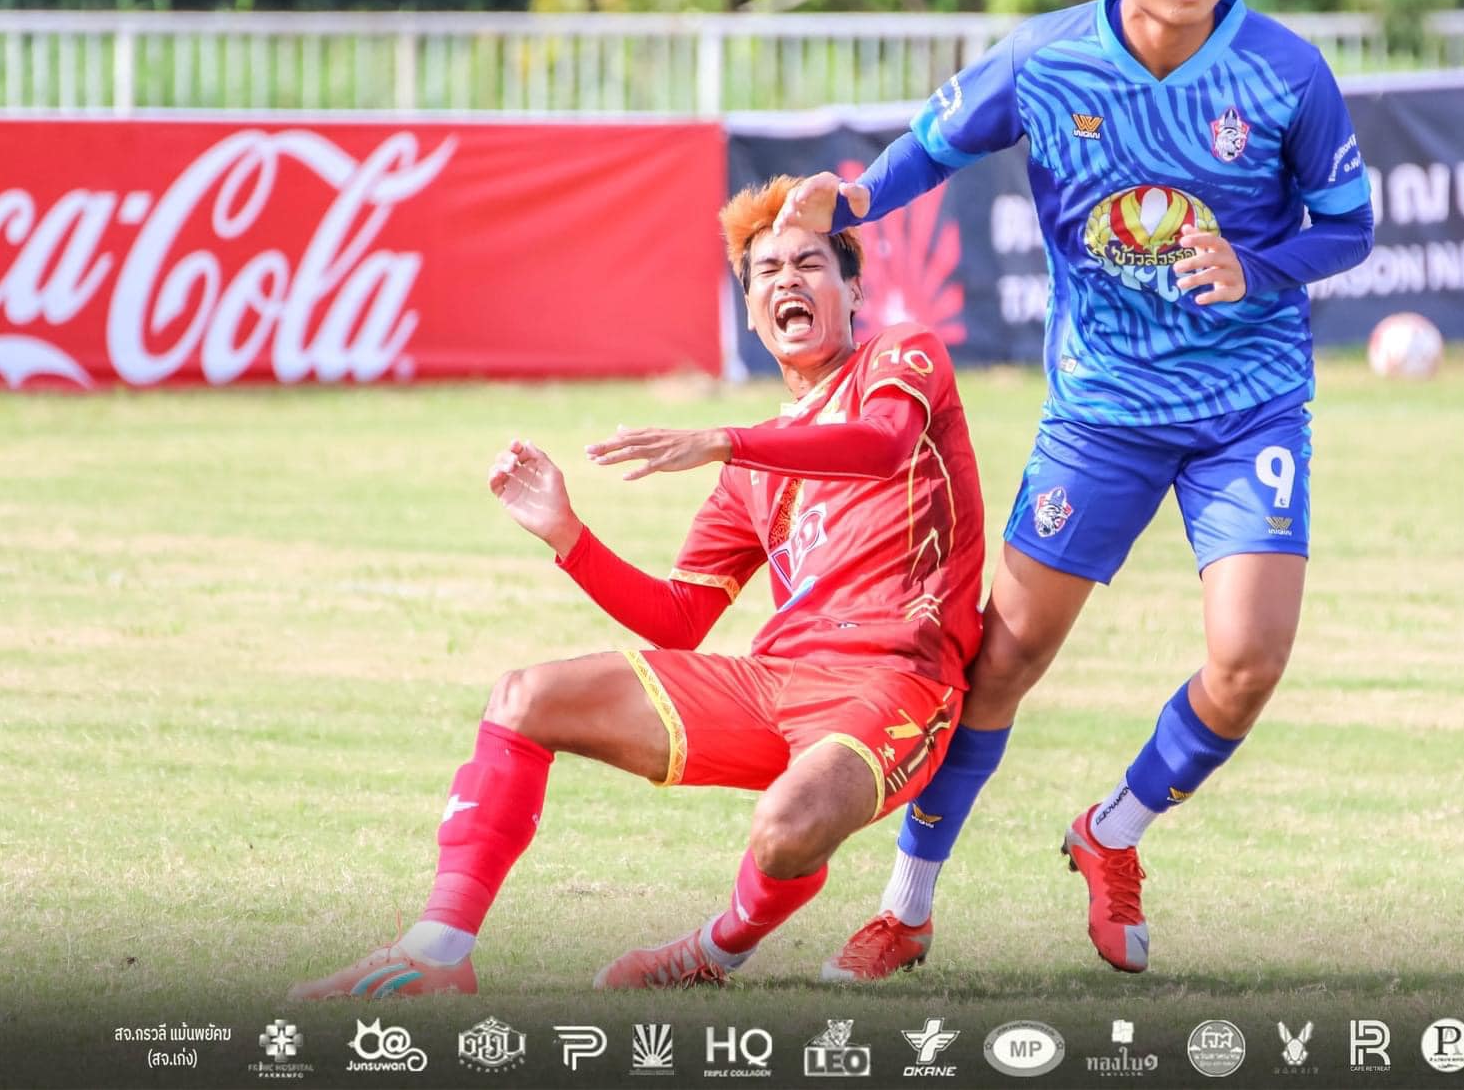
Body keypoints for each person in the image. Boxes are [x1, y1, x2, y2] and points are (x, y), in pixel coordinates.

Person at [786, 0, 1376, 982]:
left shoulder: (1282, 72)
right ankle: (906, 906)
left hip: (1247, 408)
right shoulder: (1044, 60)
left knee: (1247, 662)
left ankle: (1112, 831)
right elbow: (931, 148)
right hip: (1100, 414)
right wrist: (847, 200)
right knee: (1001, 663)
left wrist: (1256, 264)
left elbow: (1348, 226)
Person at [289, 174, 985, 996]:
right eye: (767, 271)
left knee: (785, 828)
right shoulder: (748, 467)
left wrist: (725, 440)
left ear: (853, 289)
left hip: (895, 684)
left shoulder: (900, 357)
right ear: (751, 310)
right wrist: (569, 535)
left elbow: (882, 443)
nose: (787, 280)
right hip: (777, 681)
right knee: (524, 697)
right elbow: (679, 618)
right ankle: (436, 951)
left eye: (809, 263)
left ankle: (714, 948)